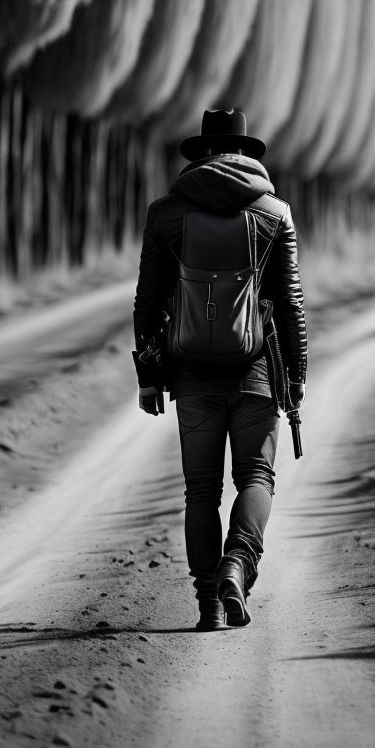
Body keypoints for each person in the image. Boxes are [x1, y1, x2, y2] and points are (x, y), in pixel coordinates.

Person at [132, 109, 307, 631]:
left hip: (190, 374)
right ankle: (237, 564)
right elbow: (290, 301)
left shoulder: (165, 213)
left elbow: (148, 300)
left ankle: (208, 603)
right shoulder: (274, 212)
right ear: (248, 154)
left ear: (202, 154)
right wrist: (295, 376)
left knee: (201, 489)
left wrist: (147, 374)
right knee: (256, 474)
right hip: (255, 368)